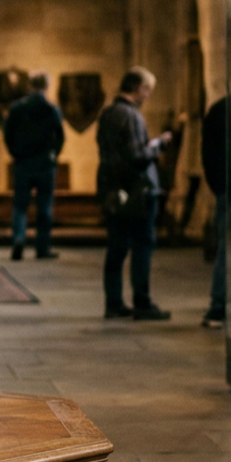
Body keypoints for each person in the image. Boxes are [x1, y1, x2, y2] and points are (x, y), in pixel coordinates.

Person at [97, 66, 173, 320]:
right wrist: (159, 145)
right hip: (137, 192)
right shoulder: (131, 116)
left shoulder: (107, 114)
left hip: (112, 189)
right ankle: (142, 302)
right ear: (139, 88)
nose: (148, 95)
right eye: (148, 90)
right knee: (142, 246)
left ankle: (114, 302)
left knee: (116, 247)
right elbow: (138, 156)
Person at [4, 70, 64, 261]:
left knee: (20, 205)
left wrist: (16, 153)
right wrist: (53, 155)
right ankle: (42, 247)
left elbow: (8, 134)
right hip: (45, 164)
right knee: (44, 206)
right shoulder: (50, 108)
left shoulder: (17, 108)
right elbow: (60, 136)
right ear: (46, 86)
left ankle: (19, 238)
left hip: (23, 163)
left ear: (30, 85)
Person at [201, 95, 228, 325]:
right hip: (230, 188)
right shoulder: (222, 110)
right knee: (226, 247)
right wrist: (219, 185)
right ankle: (218, 305)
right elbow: (210, 151)